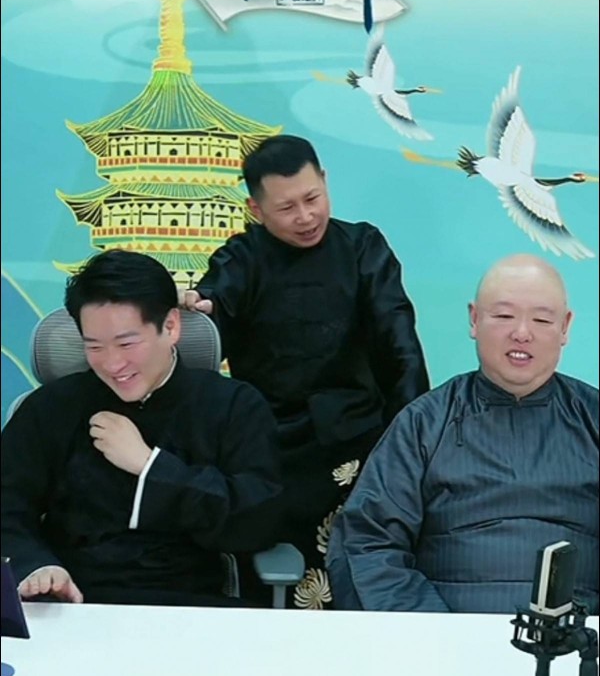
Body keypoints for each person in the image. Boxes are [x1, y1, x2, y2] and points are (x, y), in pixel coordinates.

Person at [182, 135, 429, 608]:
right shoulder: (241, 259)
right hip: (269, 448)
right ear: (256, 210)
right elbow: (216, 307)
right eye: (286, 208)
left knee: (366, 560)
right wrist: (202, 310)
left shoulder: (362, 248)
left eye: (313, 198)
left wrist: (414, 443)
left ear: (325, 181)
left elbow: (400, 347)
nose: (306, 217)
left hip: (356, 443)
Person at [1, 250, 283, 607]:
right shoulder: (50, 407)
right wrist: (36, 566)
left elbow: (260, 520)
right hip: (74, 602)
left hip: (193, 604)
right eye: (95, 346)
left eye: (126, 343)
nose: (113, 364)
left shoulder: (233, 405)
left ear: (171, 326)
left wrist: (151, 467)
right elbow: (7, 506)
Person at [327, 254, 599, 613]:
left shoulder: (592, 418)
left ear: (565, 327)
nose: (522, 333)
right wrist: (432, 630)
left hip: (580, 633)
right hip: (444, 632)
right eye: (504, 316)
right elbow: (369, 540)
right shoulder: (425, 423)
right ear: (474, 319)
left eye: (542, 319)